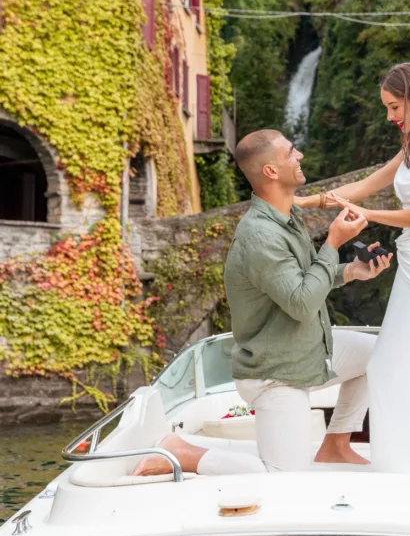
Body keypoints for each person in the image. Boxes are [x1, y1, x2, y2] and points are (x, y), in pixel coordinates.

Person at [134, 129, 392, 477]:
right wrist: (333, 242)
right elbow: (301, 303)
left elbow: (302, 282)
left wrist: (351, 271)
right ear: (270, 171)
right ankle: (178, 450)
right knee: (282, 476)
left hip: (304, 352)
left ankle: (337, 445)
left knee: (379, 354)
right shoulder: (260, 235)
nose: (299, 156)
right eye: (290, 153)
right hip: (277, 372)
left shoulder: (286, 218)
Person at [296, 62, 410, 479]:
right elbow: (362, 186)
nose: (391, 116)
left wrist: (367, 214)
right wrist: (302, 203)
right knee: (408, 366)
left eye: (395, 106)